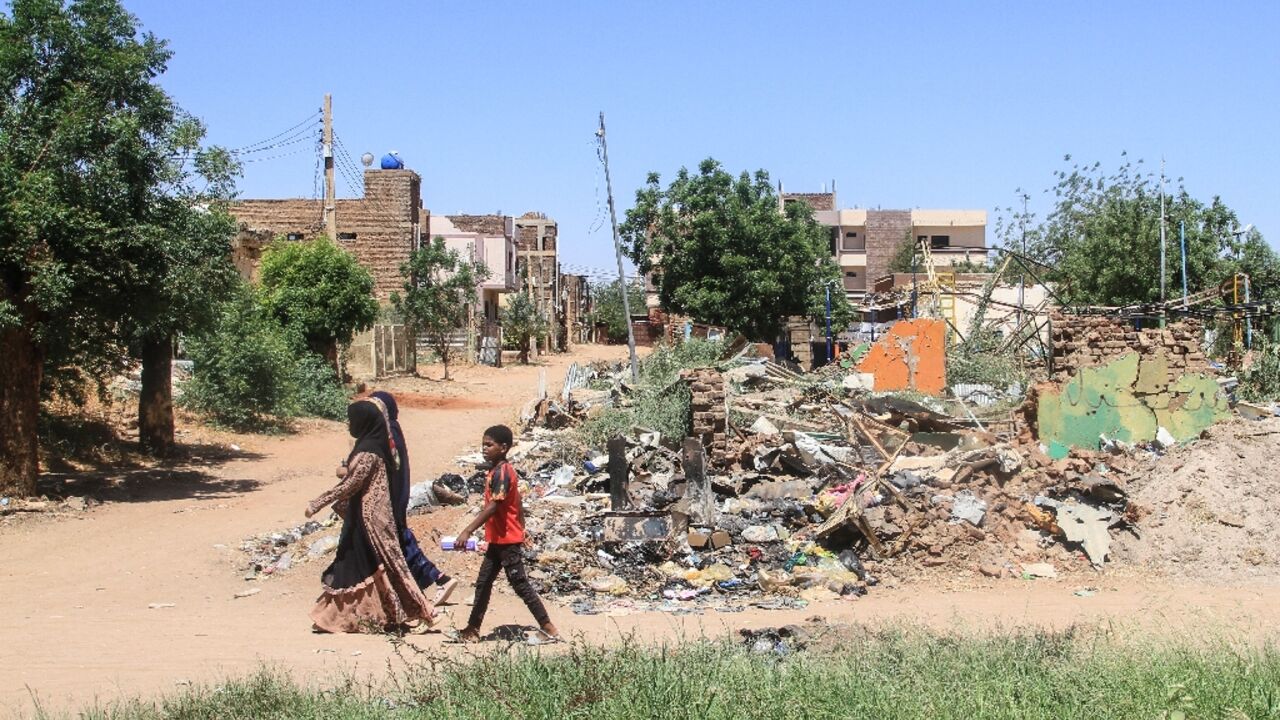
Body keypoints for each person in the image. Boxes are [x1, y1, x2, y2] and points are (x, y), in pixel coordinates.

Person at [305, 398, 435, 633]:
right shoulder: (371, 445)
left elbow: (350, 485)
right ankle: (345, 618)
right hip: (363, 519)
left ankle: (423, 610)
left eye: (352, 419)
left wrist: (317, 503)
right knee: (359, 566)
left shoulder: (369, 451)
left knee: (391, 566)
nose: (349, 424)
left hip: (371, 521)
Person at [448, 425, 560, 644]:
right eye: (483, 444)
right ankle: (472, 629)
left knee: (519, 583)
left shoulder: (502, 473)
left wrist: (468, 530)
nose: (484, 449)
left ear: (504, 447)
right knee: (483, 582)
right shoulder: (498, 471)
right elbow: (516, 503)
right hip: (498, 538)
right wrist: (523, 527)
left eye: (489, 445)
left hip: (507, 539)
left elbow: (494, 506)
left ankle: (548, 628)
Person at [369, 390, 458, 606]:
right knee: (397, 541)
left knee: (398, 542)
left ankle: (435, 580)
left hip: (387, 500)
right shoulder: (391, 431)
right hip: (394, 497)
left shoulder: (386, 434)